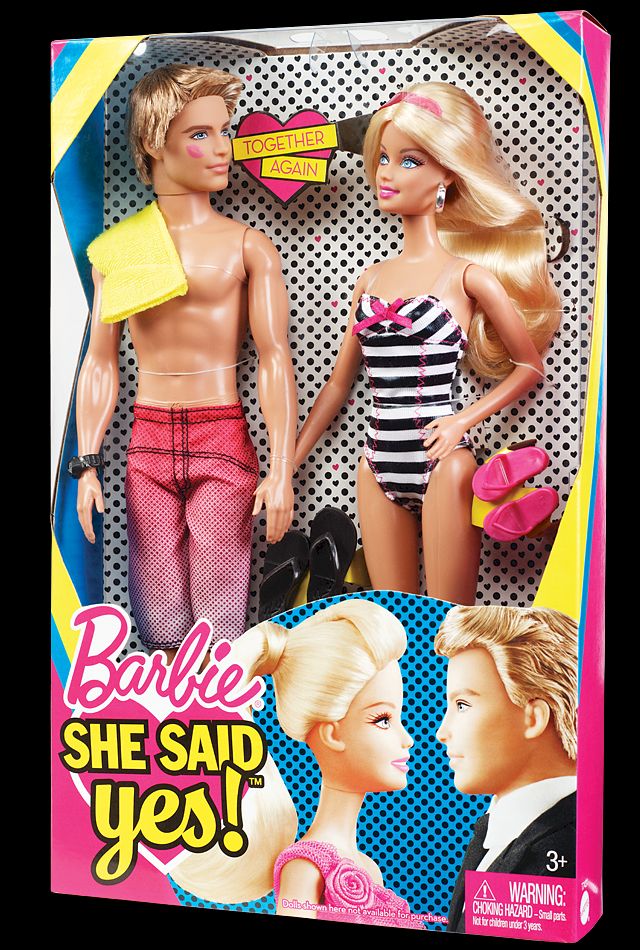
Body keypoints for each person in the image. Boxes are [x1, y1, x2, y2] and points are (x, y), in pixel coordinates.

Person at [294, 83, 561, 605]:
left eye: (409, 161)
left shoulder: (467, 276)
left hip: (443, 461)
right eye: (383, 158)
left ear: (447, 176)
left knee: (447, 617)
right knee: (393, 620)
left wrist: (462, 420)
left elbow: (530, 367)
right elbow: (337, 386)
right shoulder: (371, 279)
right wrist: (285, 468)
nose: (386, 173)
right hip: (375, 461)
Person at [71, 65, 297, 659]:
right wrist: (86, 462)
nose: (223, 148)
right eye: (201, 134)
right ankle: (170, 702)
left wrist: (281, 470)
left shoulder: (247, 245)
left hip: (221, 433)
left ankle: (222, 695)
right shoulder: (118, 250)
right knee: (159, 611)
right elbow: (100, 360)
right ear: (155, 143)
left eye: (225, 131)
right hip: (146, 439)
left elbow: (275, 358)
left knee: (221, 612)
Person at [172, 598, 424, 928]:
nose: (407, 739)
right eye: (383, 719)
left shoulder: (367, 869)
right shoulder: (305, 868)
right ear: (332, 734)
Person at [434, 604, 578, 933]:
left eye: (462, 705)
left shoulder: (561, 851)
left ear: (533, 718)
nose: (442, 731)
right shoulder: (498, 831)